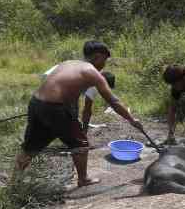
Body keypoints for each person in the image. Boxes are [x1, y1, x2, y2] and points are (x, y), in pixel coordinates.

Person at [14, 41, 142, 187]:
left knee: (31, 146)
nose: (104, 65)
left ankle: (14, 182)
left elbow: (67, 91)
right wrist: (132, 120)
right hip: (55, 108)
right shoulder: (92, 72)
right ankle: (83, 179)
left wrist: (71, 115)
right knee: (80, 144)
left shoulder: (68, 63)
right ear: (98, 57)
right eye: (104, 60)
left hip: (36, 103)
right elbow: (114, 102)